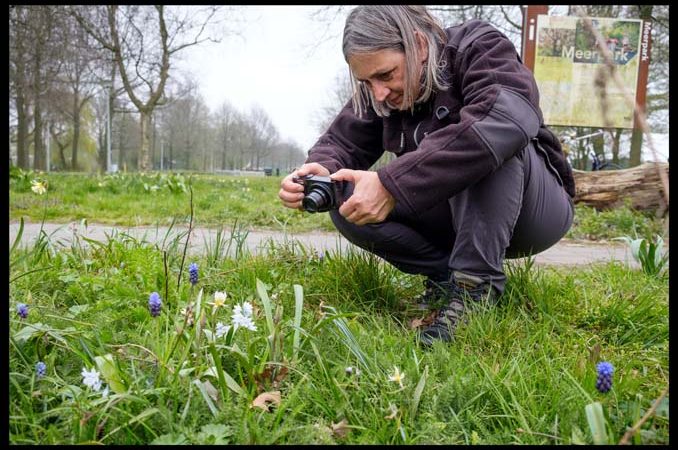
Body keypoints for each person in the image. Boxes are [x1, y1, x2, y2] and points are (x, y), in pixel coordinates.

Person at [278, 5, 575, 346]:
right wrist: (319, 170)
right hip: (452, 211)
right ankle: (445, 276)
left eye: (386, 75)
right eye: (366, 81)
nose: (379, 94)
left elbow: (508, 118)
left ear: (418, 45)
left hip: (534, 210)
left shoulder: (478, 46)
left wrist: (392, 184)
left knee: (488, 138)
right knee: (345, 195)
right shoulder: (382, 90)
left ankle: (473, 290)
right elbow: (343, 140)